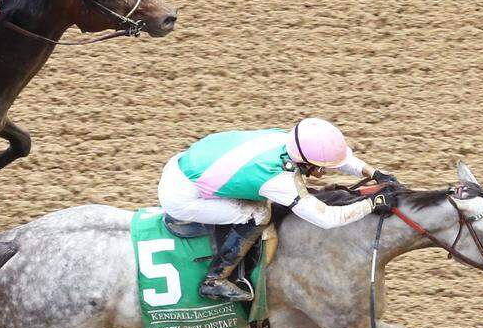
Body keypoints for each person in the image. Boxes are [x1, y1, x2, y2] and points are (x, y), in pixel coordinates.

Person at [157, 118, 399, 301]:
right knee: (259, 213)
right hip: (182, 196)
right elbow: (326, 218)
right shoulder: (277, 180)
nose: (325, 172)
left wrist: (374, 173)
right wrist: (371, 204)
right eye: (321, 168)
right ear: (307, 163)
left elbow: (335, 158)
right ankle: (215, 280)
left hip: (185, 164)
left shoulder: (285, 141)